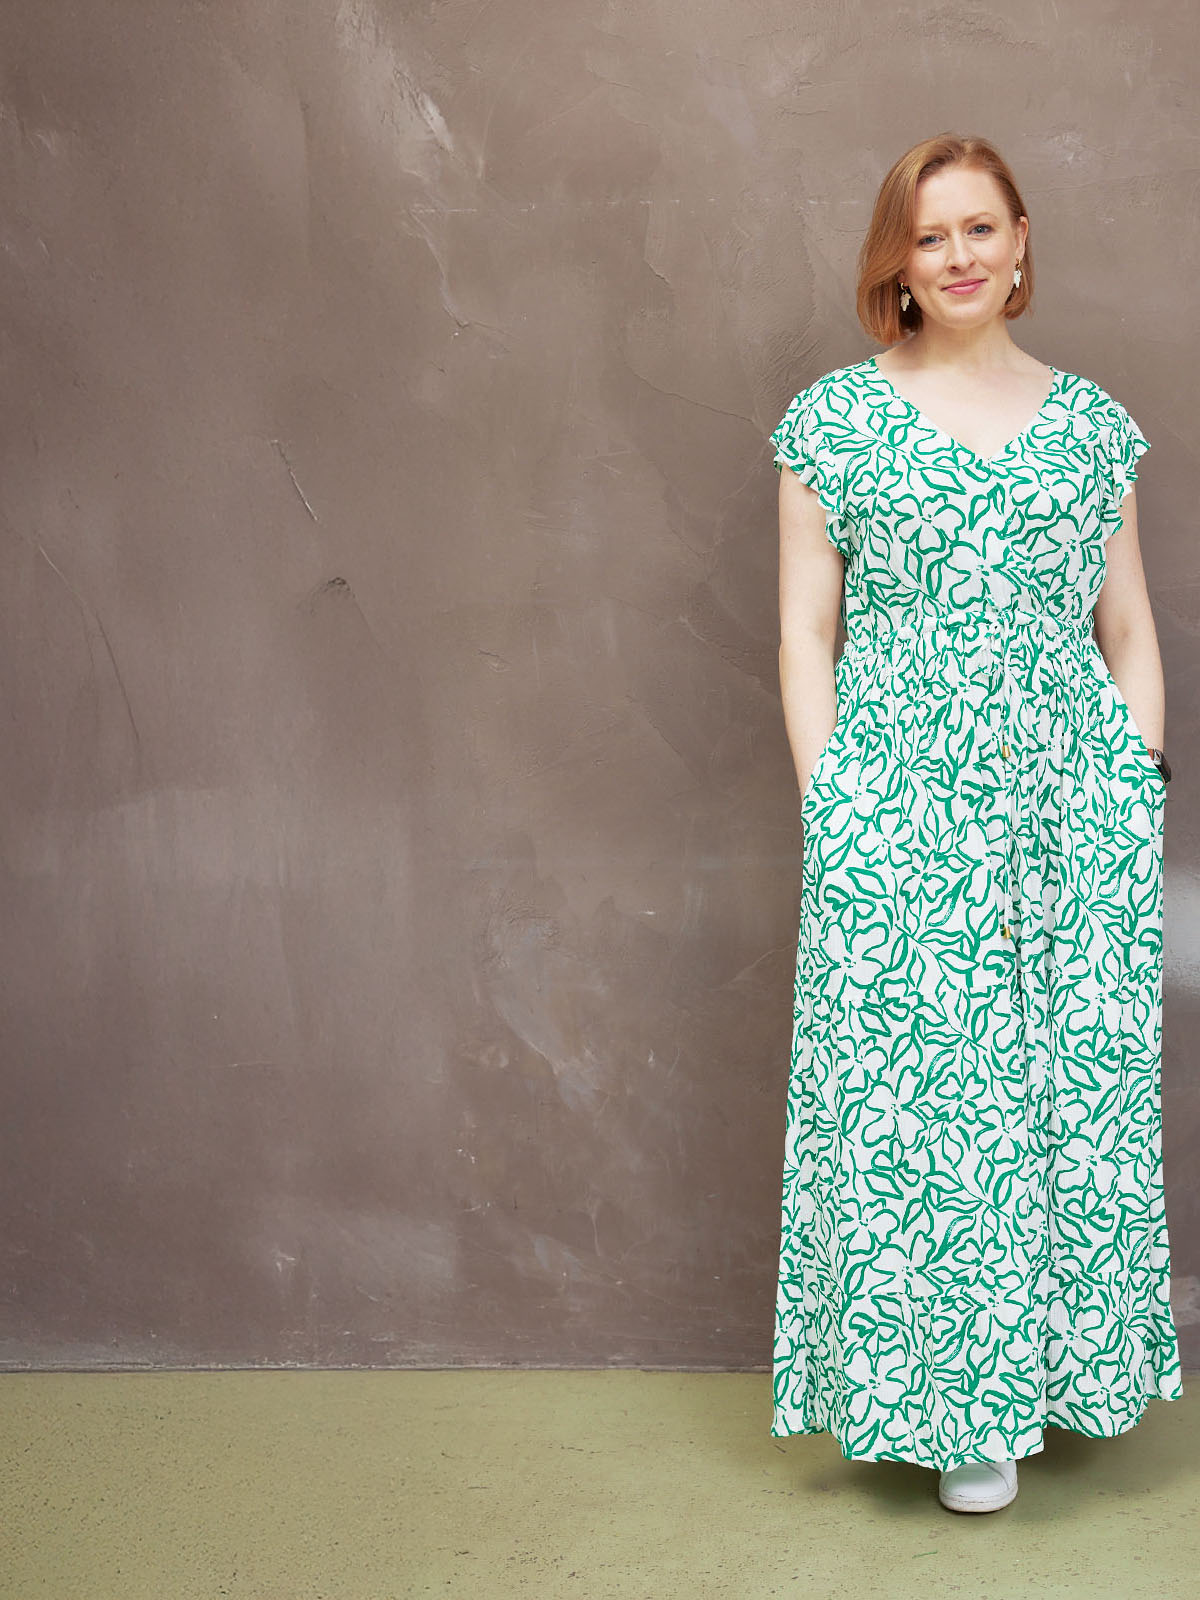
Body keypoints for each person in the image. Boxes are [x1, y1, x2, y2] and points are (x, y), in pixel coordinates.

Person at [768, 131, 1182, 1515]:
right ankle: (960, 1410)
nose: (956, 257)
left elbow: (1129, 627)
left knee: (1066, 1089)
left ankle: (1057, 1371)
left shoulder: (1091, 426)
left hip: (1075, 804)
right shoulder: (832, 422)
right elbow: (804, 633)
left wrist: (1137, 785)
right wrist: (838, 804)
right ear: (899, 257)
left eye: (979, 229)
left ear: (1020, 244)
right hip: (899, 797)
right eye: (928, 234)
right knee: (932, 1105)